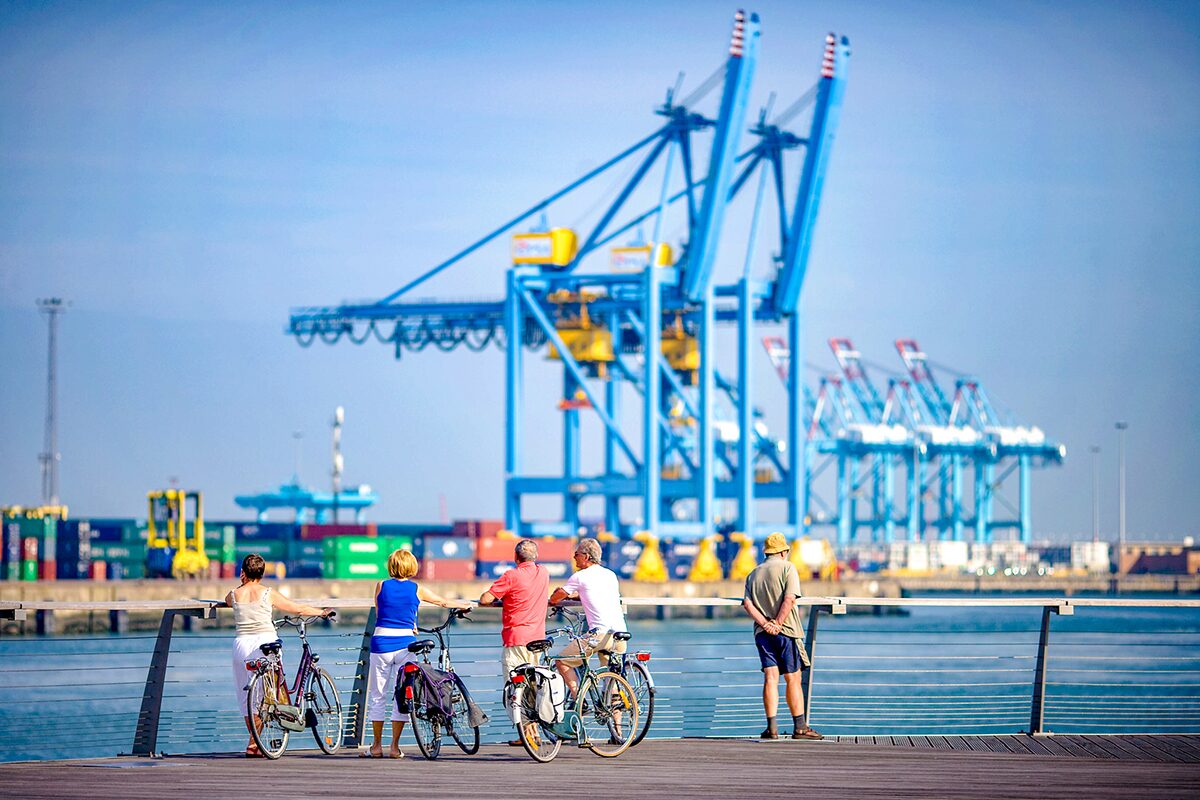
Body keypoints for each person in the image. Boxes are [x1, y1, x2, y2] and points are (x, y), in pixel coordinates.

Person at [363, 548, 471, 758]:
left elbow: (380, 612)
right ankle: (395, 747)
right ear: (412, 567)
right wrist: (463, 605)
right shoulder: (417, 589)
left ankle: (376, 746)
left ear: (391, 566)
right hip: (406, 645)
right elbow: (442, 602)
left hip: (381, 643)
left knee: (378, 696)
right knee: (402, 696)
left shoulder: (381, 585)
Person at [226, 553, 332, 758]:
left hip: (240, 645)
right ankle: (255, 743)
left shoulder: (234, 594)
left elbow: (227, 601)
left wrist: (241, 585)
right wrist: (321, 612)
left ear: (243, 573)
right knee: (265, 696)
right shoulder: (268, 593)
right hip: (265, 644)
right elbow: (298, 608)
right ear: (263, 573)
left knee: (245, 695)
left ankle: (253, 741)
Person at [741, 532, 822, 740]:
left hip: (762, 633)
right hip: (786, 631)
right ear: (784, 551)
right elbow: (789, 599)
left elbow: (748, 605)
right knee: (793, 678)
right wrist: (777, 623)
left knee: (770, 678)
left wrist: (766, 624)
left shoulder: (753, 573)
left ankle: (772, 729)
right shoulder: (788, 568)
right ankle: (800, 727)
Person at [479, 538, 550, 746]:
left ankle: (526, 735)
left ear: (515, 557)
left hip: (516, 640)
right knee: (533, 687)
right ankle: (533, 733)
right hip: (537, 639)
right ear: (535, 557)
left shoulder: (511, 575)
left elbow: (485, 599)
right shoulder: (544, 572)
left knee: (515, 688)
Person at [548, 537, 627, 698]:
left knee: (561, 661)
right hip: (620, 636)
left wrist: (560, 594)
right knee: (612, 683)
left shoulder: (580, 576)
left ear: (586, 556)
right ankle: (618, 723)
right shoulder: (610, 574)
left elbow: (555, 599)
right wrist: (578, 597)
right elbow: (596, 595)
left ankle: (579, 700)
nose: (574, 557)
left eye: (576, 554)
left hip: (598, 636)